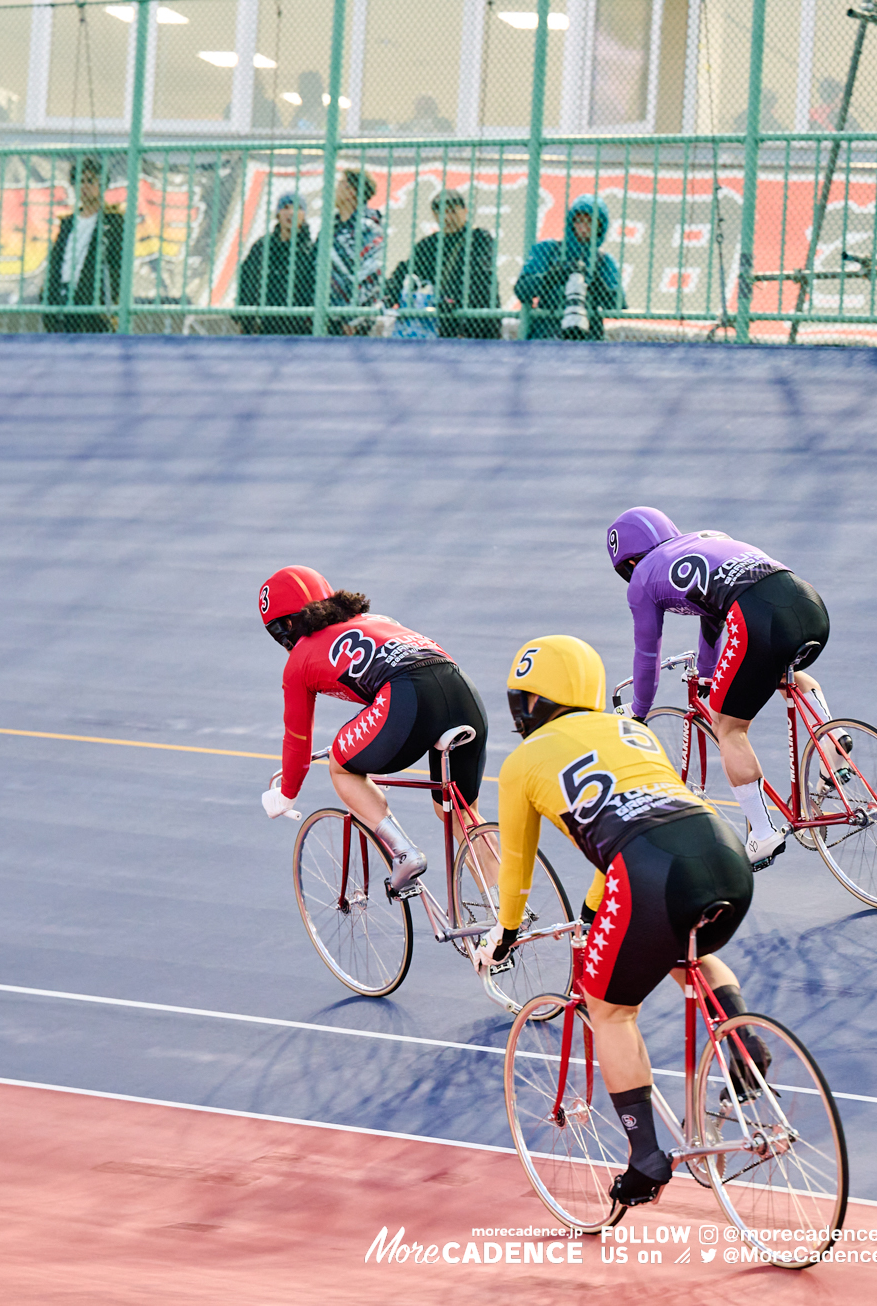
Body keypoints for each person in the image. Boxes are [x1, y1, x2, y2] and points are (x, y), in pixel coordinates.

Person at [472, 635, 759, 1210]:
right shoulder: (634, 729)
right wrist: (593, 909)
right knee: (685, 950)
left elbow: (517, 872)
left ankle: (646, 1158)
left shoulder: (523, 762)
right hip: (722, 853)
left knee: (610, 1009)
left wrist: (503, 936)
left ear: (527, 705)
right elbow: (646, 817)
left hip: (645, 873)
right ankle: (742, 1044)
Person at [607, 507, 833, 867]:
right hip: (806, 602)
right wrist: (712, 677)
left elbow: (647, 654)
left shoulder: (643, 578)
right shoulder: (706, 538)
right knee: (780, 673)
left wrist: (639, 711)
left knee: (728, 727)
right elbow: (712, 624)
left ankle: (762, 833)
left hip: (757, 617)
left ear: (628, 564)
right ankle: (832, 745)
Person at [256, 566, 489, 895]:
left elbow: (297, 740)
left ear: (288, 625)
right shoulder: (379, 619)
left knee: (340, 762)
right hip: (461, 688)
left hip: (408, 699)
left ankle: (404, 853)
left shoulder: (298, 662)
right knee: (461, 815)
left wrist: (286, 794)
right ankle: (507, 917)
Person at [381, 189, 499, 339]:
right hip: (445, 321)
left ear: (464, 211)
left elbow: (480, 274)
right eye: (441, 213)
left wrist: (453, 296)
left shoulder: (479, 238)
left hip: (479, 318)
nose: (447, 218)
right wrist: (390, 291)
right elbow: (406, 270)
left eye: (452, 212)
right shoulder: (429, 245)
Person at [516, 196, 625, 340]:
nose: (584, 228)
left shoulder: (604, 261)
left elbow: (619, 303)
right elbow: (522, 289)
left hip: (588, 334)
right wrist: (553, 277)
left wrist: (594, 283)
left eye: (591, 222)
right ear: (571, 222)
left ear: (600, 227)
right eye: (579, 221)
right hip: (546, 331)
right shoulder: (548, 250)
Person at [43, 157, 127, 333]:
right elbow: (57, 260)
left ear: (102, 184)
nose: (85, 186)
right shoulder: (67, 222)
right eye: (79, 181)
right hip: (61, 295)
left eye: (90, 181)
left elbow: (116, 264)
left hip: (92, 299)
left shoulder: (112, 221)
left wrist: (109, 301)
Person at [235, 193, 320, 335]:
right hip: (264, 326)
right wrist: (242, 318)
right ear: (278, 214)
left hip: (299, 328)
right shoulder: (262, 247)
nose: (291, 213)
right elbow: (246, 282)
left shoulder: (311, 251)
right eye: (286, 208)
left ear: (304, 215)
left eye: (297, 208)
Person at [326, 169, 385, 335]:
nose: (335, 189)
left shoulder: (368, 228)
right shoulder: (331, 228)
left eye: (339, 184)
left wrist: (354, 318)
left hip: (357, 324)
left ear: (351, 192)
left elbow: (370, 273)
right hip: (327, 316)